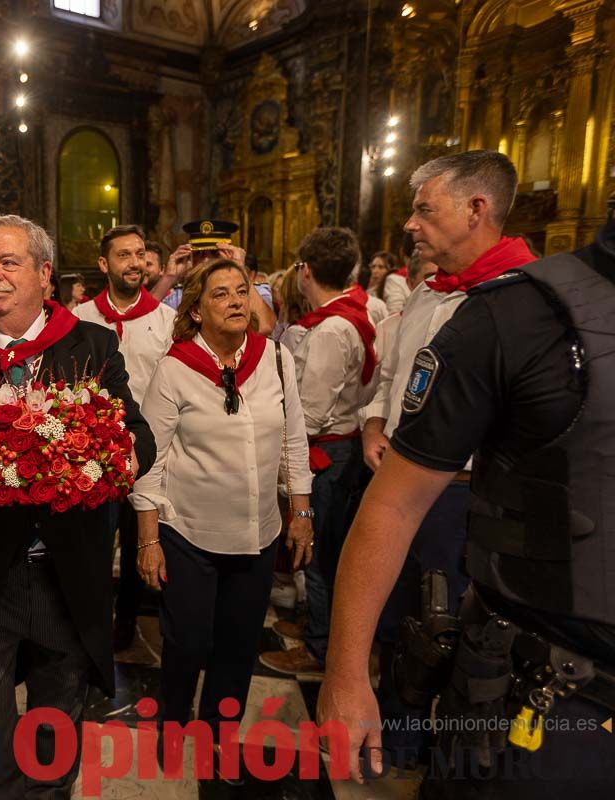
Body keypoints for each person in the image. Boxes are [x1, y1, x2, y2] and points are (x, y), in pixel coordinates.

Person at [317, 204, 615, 799]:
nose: (409, 224)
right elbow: (392, 498)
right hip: (552, 698)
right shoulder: (521, 314)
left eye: (426, 208)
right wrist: (345, 673)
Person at [0, 213, 155, 798]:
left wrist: (117, 456)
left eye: (7, 262)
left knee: (58, 713)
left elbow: (136, 432)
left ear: (44, 275)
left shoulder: (92, 343)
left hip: (67, 568)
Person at [356, 150, 536, 757]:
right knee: (390, 615)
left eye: (424, 210)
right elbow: (395, 377)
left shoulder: (524, 304)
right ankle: (382, 728)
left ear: (475, 209)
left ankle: (431, 751)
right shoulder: (428, 295)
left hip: (460, 493)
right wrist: (375, 422)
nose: (409, 224)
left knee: (442, 627)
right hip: (395, 476)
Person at [132, 258, 313, 776]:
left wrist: (300, 509)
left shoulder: (275, 358)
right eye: (220, 294)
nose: (236, 301)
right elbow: (150, 458)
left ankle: (219, 731)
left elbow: (294, 440)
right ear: (196, 309)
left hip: (258, 534)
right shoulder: (176, 368)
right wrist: (148, 538)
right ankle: (172, 721)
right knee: (188, 640)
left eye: (241, 291)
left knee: (238, 644)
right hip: (189, 531)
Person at [260, 228, 377, 676]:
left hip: (326, 454)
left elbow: (309, 412)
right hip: (339, 446)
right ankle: (317, 625)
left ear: (305, 271)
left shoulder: (331, 329)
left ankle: (320, 648)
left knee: (322, 556)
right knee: (322, 550)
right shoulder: (348, 316)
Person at [74, 223, 176, 651]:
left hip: (144, 451)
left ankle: (127, 618)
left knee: (141, 539)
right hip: (91, 450)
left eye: (139, 254)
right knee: (92, 540)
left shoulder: (165, 319)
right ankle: (90, 617)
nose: (134, 263)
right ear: (104, 264)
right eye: (123, 255)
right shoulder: (78, 319)